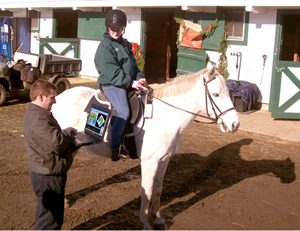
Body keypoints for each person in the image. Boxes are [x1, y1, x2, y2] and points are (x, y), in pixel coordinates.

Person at [23, 79, 78, 230]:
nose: (54, 102)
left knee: (47, 215)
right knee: (50, 221)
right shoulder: (38, 119)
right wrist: (69, 132)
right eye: (52, 97)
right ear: (41, 96)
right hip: (48, 177)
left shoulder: (38, 113)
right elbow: (56, 143)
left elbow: (49, 143)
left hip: (46, 172)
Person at [94, 9, 147, 161]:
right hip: (112, 84)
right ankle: (115, 147)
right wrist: (130, 82)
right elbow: (111, 72)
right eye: (113, 29)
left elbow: (133, 66)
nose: (116, 32)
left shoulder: (125, 44)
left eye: (119, 29)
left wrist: (139, 77)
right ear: (107, 28)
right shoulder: (105, 47)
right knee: (123, 112)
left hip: (125, 82)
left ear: (123, 28)